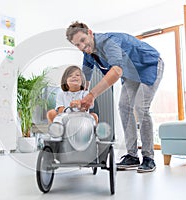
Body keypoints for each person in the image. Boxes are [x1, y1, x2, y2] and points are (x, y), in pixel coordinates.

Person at [66, 21, 164, 173]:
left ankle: (148, 157)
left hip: (148, 65)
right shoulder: (88, 54)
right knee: (124, 107)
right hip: (132, 74)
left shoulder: (109, 42)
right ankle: (132, 156)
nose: (83, 47)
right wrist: (80, 99)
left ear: (90, 33)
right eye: (77, 45)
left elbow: (117, 71)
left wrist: (92, 95)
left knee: (140, 107)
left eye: (83, 41)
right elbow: (85, 81)